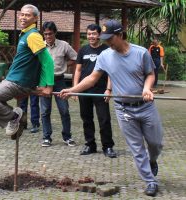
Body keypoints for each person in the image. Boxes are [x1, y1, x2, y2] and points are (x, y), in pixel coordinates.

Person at [59, 20, 163, 197]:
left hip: (145, 107)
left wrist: (146, 88)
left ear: (121, 35)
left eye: (110, 38)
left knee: (156, 144)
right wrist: (72, 89)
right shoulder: (105, 56)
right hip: (124, 110)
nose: (107, 42)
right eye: (104, 39)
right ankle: (150, 181)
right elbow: (92, 79)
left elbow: (150, 74)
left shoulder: (141, 53)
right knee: (137, 148)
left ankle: (152, 159)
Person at [0, 4, 54, 140]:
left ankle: (15, 117)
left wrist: (48, 86)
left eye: (28, 15)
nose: (23, 17)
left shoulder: (33, 36)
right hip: (14, 79)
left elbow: (47, 61)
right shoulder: (25, 34)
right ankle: (16, 118)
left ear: (35, 18)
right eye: (22, 14)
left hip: (18, 82)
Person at [74, 24, 116, 158]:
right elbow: (78, 70)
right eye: (89, 34)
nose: (91, 36)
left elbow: (111, 71)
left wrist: (108, 89)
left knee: (104, 119)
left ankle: (108, 146)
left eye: (94, 34)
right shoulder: (83, 50)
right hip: (84, 91)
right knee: (86, 119)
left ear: (99, 35)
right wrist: (74, 89)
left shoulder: (106, 50)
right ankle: (90, 145)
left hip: (101, 91)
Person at [40, 21, 77, 147]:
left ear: (55, 33)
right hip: (44, 82)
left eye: (50, 34)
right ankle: (46, 137)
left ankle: (67, 137)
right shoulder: (39, 46)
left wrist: (65, 65)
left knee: (64, 110)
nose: (48, 36)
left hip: (59, 80)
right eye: (45, 34)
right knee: (45, 111)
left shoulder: (64, 45)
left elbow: (75, 58)